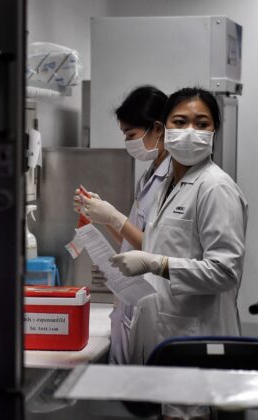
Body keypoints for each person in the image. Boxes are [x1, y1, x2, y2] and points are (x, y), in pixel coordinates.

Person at [110, 87, 247, 419]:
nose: (190, 131)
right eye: (181, 121)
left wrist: (157, 263)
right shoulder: (169, 185)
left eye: (202, 124)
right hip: (170, 339)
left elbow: (225, 271)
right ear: (165, 128)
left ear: (214, 131)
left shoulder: (215, 188)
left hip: (197, 340)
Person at [73, 85, 169, 365]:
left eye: (131, 135)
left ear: (158, 128)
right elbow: (132, 242)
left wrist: (114, 216)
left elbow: (156, 248)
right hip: (133, 302)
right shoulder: (150, 176)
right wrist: (101, 218)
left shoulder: (172, 181)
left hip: (155, 305)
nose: (128, 143)